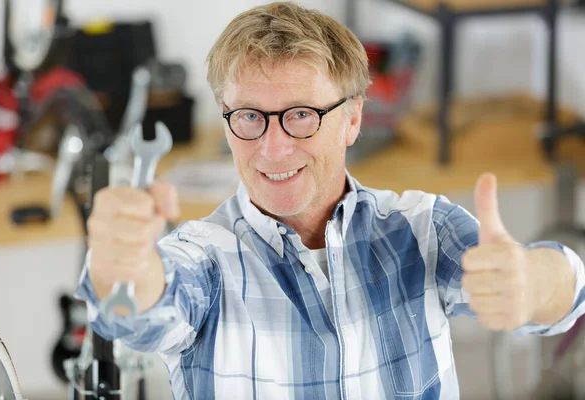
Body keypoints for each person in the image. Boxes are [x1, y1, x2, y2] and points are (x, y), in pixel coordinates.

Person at [75, 2, 585, 399]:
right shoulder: (205, 257)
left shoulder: (421, 229)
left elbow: (567, 294)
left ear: (354, 119)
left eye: (300, 114)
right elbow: (140, 309)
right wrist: (123, 266)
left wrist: (531, 280)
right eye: (250, 116)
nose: (272, 148)